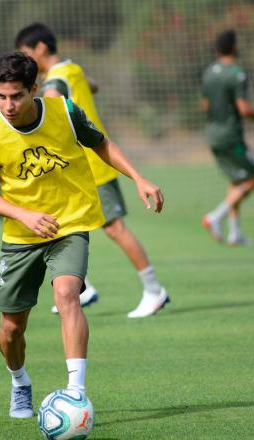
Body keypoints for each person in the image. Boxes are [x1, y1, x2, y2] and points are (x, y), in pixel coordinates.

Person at [0, 52, 163, 418]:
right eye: (1, 96)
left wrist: (138, 177)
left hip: (69, 224)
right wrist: (23, 214)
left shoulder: (65, 112)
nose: (8, 105)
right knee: (11, 330)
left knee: (67, 293)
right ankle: (19, 381)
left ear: (35, 88)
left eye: (16, 96)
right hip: (21, 236)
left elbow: (101, 143)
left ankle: (76, 394)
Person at [15, 23, 170, 318]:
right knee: (57, 224)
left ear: (41, 49)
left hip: (93, 165)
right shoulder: (71, 69)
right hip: (74, 167)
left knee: (114, 228)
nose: (24, 60)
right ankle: (82, 287)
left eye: (25, 53)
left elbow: (49, 102)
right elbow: (93, 84)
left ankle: (154, 290)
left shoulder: (55, 81)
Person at [200, 30, 254, 246]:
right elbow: (244, 109)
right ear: (234, 47)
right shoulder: (236, 73)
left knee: (236, 181)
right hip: (230, 135)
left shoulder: (208, 73)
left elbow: (205, 105)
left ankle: (235, 233)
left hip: (213, 134)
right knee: (252, 181)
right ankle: (215, 217)